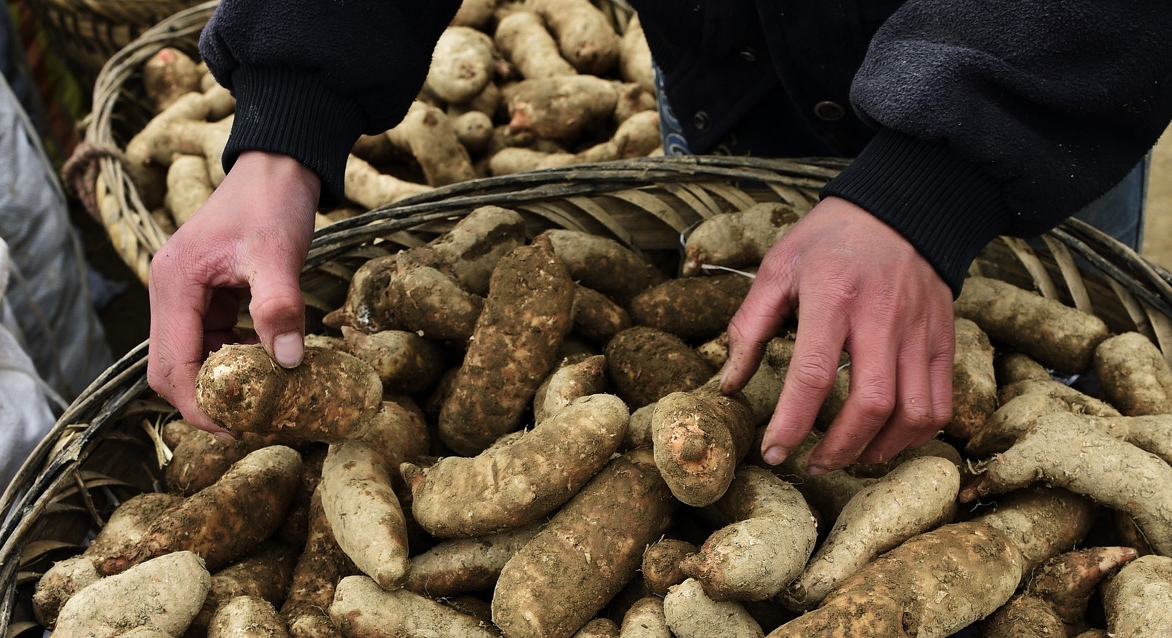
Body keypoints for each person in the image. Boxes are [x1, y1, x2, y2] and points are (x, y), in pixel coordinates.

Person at [146, 0, 1172, 475]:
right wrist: (283, 125)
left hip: (1029, 103)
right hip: (731, 74)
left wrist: (941, 175)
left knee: (1031, 411)